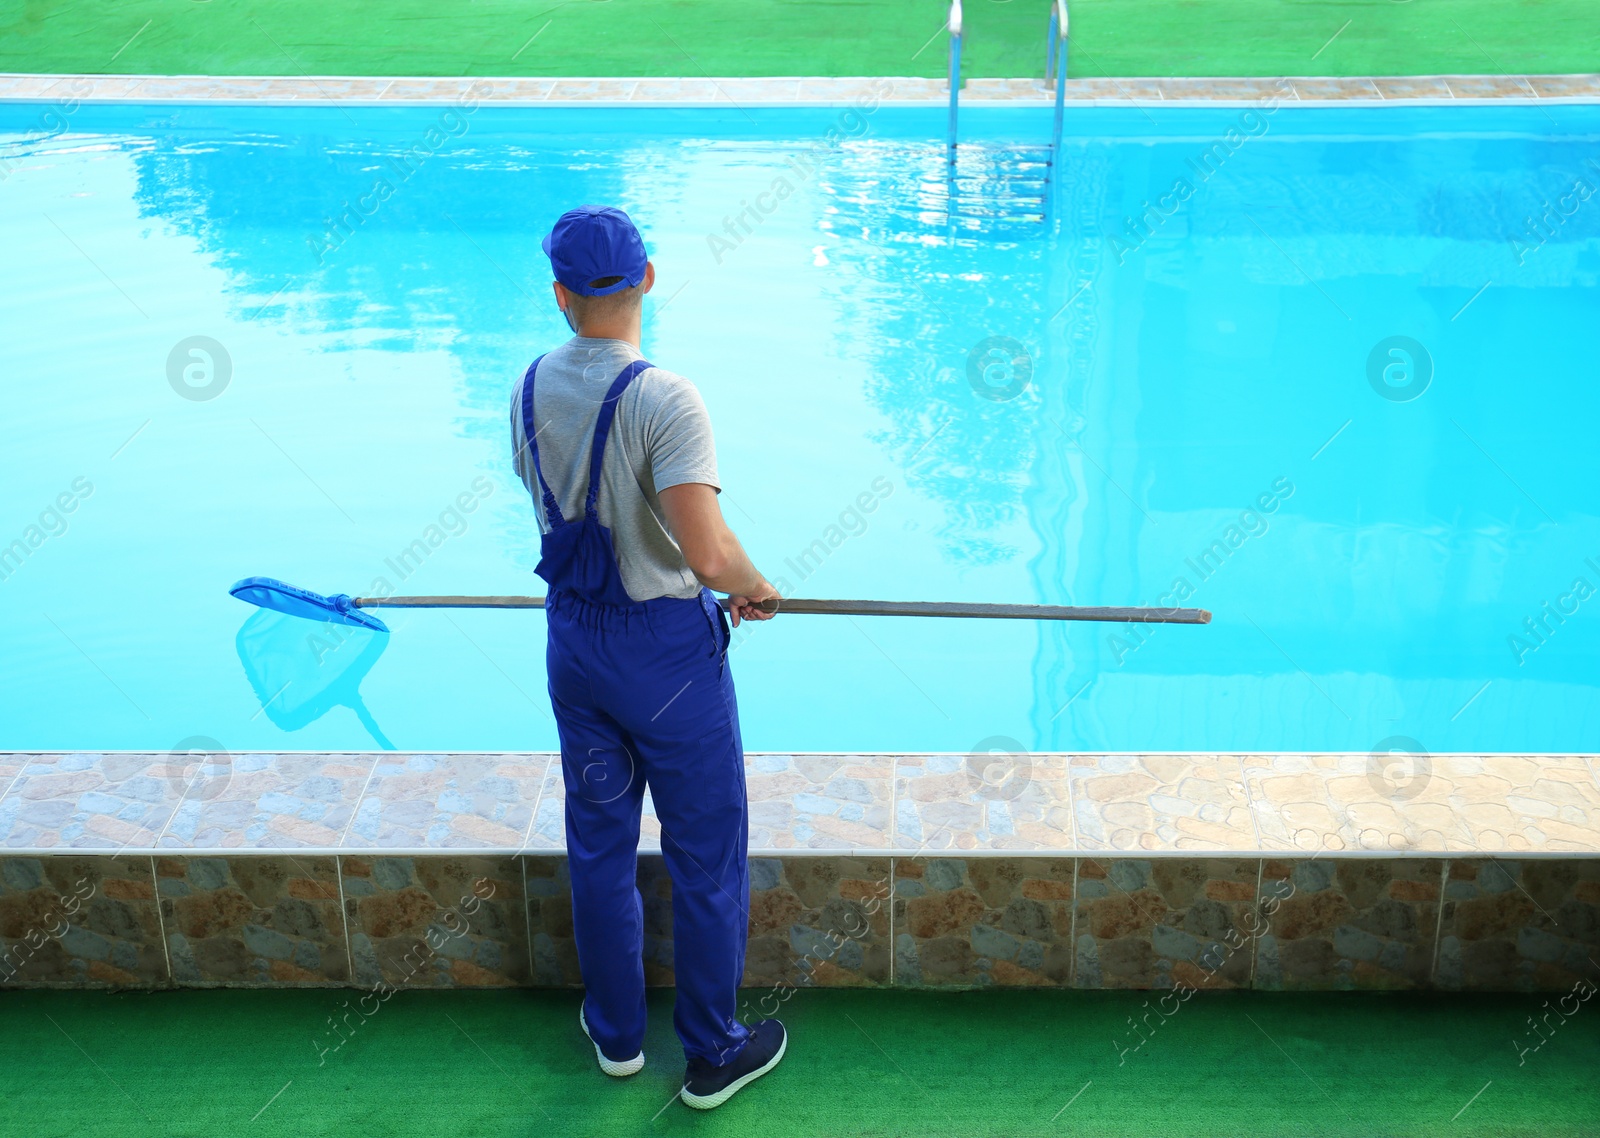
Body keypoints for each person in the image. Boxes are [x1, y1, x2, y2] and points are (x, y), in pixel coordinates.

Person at [509, 204, 787, 1110]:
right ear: (648, 280)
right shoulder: (667, 397)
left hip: (575, 644)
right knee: (706, 853)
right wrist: (755, 583)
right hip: (664, 656)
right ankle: (711, 1052)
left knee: (599, 843)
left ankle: (616, 1033)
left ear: (558, 294)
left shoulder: (525, 388)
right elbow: (706, 557)